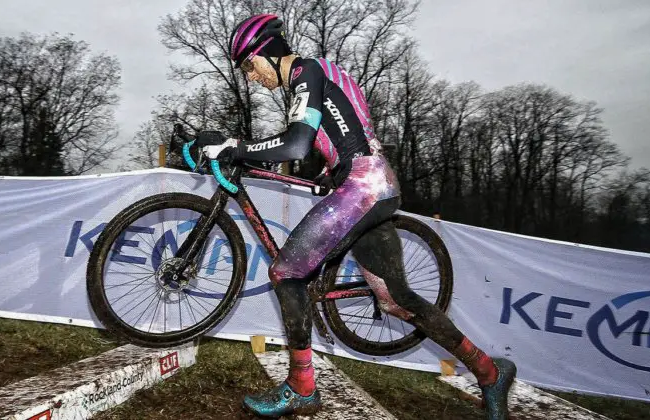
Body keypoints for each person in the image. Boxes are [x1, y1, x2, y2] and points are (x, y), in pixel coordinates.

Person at [197, 13, 517, 419]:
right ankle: (490, 372)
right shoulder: (322, 72)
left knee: (285, 273)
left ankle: (302, 387)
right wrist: (324, 171)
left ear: (266, 51)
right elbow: (346, 134)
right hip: (374, 185)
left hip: (363, 188)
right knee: (396, 301)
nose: (250, 77)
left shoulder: (305, 72)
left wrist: (234, 148)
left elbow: (296, 144)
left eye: (248, 64)